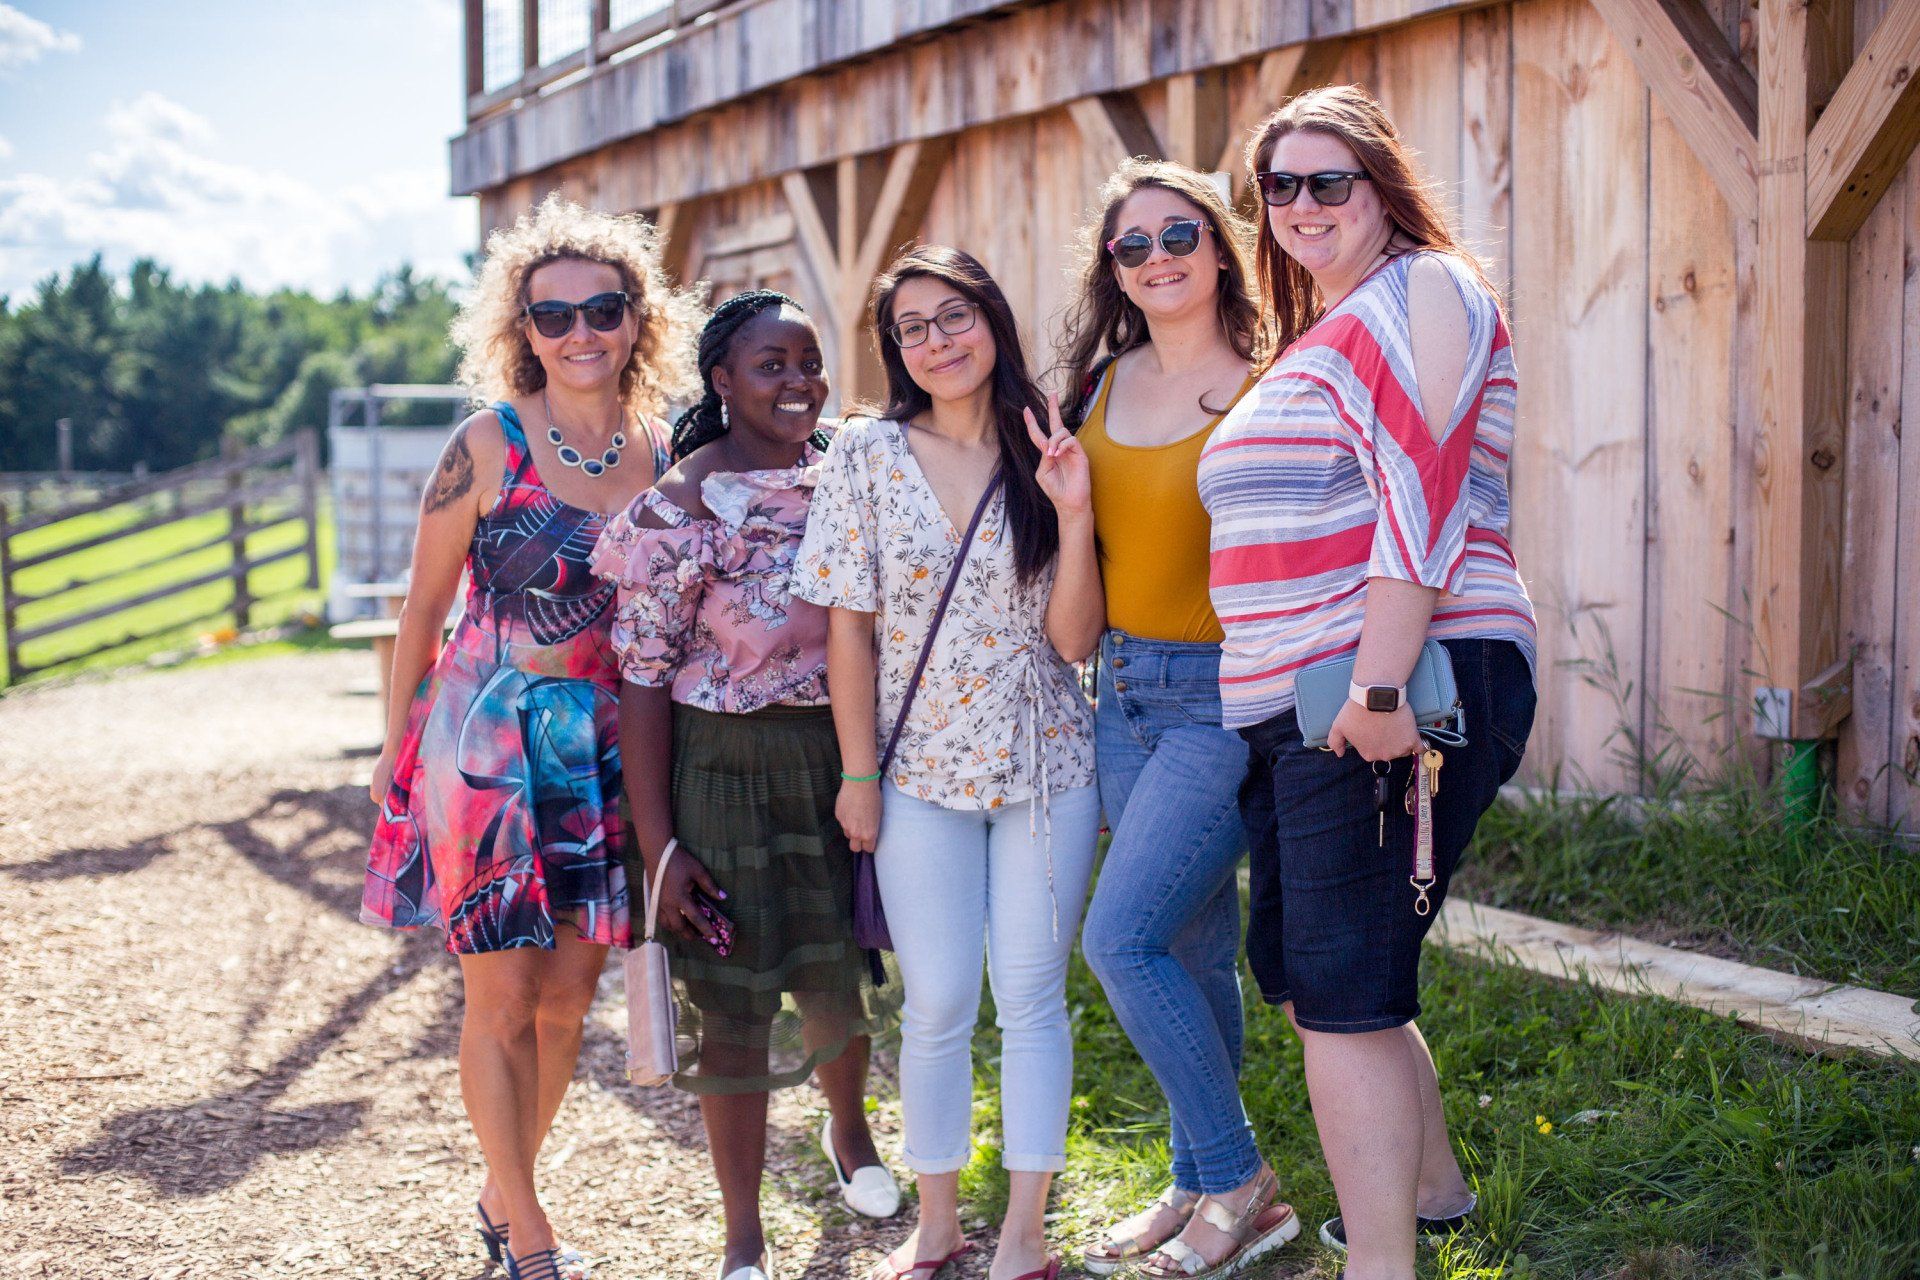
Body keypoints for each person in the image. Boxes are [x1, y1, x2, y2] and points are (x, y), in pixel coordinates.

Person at [1197, 85, 1538, 1280]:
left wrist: (1383, 690)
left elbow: (1426, 486)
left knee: (1342, 986)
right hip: (1306, 707)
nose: (1297, 205)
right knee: (1307, 969)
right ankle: (1432, 1194)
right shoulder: (1332, 325)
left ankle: (1382, 1262)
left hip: (1387, 686)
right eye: (1275, 186)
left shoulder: (1424, 289)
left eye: (1325, 179)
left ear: (1383, 186)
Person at [362, 194, 701, 1280]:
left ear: (637, 318)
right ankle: (533, 1232)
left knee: (568, 1001)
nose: (579, 332)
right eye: (552, 316)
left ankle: (503, 1188)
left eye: (602, 308)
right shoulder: (487, 442)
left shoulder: (663, 451)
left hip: (601, 751)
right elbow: (421, 608)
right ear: (523, 330)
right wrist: (393, 745)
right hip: (483, 743)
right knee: (502, 997)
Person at [793, 246, 1100, 1280]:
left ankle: (1024, 1231)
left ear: (992, 319)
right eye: (912, 328)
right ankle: (936, 1221)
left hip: (1046, 761)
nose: (937, 340)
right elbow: (849, 632)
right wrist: (858, 773)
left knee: (1031, 997)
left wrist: (1074, 508)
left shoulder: (1046, 436)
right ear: (896, 350)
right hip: (916, 767)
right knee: (934, 1002)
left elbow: (1074, 641)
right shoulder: (865, 454)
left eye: (954, 315)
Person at [589, 290, 901, 1280]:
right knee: (732, 1002)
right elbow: (641, 682)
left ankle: (849, 1131)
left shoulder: (850, 472)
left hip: (838, 755)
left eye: (810, 361)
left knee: (833, 965)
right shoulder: (678, 509)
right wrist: (661, 847)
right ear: (722, 381)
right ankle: (742, 1234)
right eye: (772, 364)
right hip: (719, 766)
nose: (800, 382)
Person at [1053, 158, 1298, 1279]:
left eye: (1178, 233)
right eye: (1132, 245)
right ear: (1115, 268)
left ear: (1219, 242)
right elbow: (1087, 565)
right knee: (1191, 948)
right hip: (1124, 689)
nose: (1157, 258)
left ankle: (1239, 1173)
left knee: (1120, 937)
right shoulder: (1097, 386)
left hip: (1228, 693)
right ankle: (1207, 1181)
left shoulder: (1275, 377)